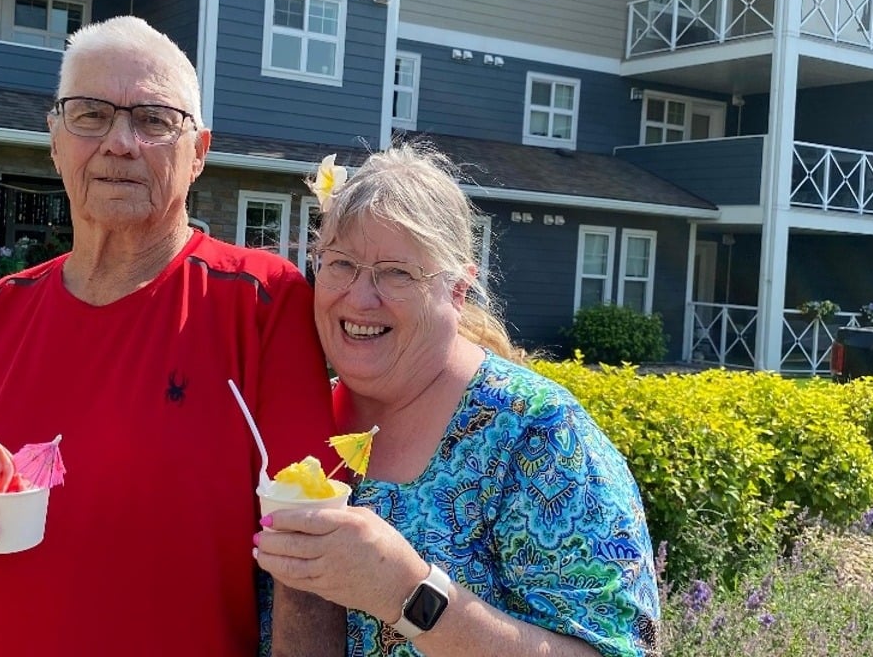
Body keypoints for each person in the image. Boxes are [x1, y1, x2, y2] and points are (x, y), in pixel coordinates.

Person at [0, 16, 343, 656]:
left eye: (153, 120)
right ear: (55, 139)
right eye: (90, 114)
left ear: (199, 152)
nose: (120, 142)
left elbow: (309, 556)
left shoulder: (262, 301)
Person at [255, 143, 661, 657]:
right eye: (341, 264)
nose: (359, 297)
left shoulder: (536, 436)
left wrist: (408, 592)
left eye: (397, 273)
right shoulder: (298, 421)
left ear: (458, 288)